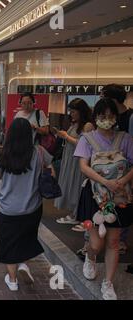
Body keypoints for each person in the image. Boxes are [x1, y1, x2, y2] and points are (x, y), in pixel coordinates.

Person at [74, 98, 133, 300]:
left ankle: (108, 283)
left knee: (114, 241)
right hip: (93, 195)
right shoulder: (87, 139)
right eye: (102, 116)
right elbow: (83, 166)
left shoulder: (125, 138)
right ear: (96, 117)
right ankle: (90, 257)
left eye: (110, 116)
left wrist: (122, 180)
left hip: (119, 196)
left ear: (116, 117)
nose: (106, 120)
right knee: (97, 243)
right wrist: (105, 182)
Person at [0, 118, 53, 292]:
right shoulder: (39, 152)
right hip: (32, 207)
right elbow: (50, 169)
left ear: (10, 134)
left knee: (9, 243)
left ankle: (12, 281)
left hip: (9, 208)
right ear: (30, 134)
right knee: (26, 238)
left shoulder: (4, 154)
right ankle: (24, 265)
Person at [101, 84, 132, 255]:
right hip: (106, 172)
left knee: (123, 202)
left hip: (125, 172)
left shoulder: (129, 118)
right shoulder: (108, 118)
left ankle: (120, 238)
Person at [55, 99, 94, 225]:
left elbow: (84, 144)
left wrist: (66, 136)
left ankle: (76, 214)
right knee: (70, 185)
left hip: (78, 161)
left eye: (73, 111)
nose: (71, 114)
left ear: (80, 111)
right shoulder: (75, 124)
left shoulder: (87, 126)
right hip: (70, 159)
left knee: (76, 185)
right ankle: (74, 212)